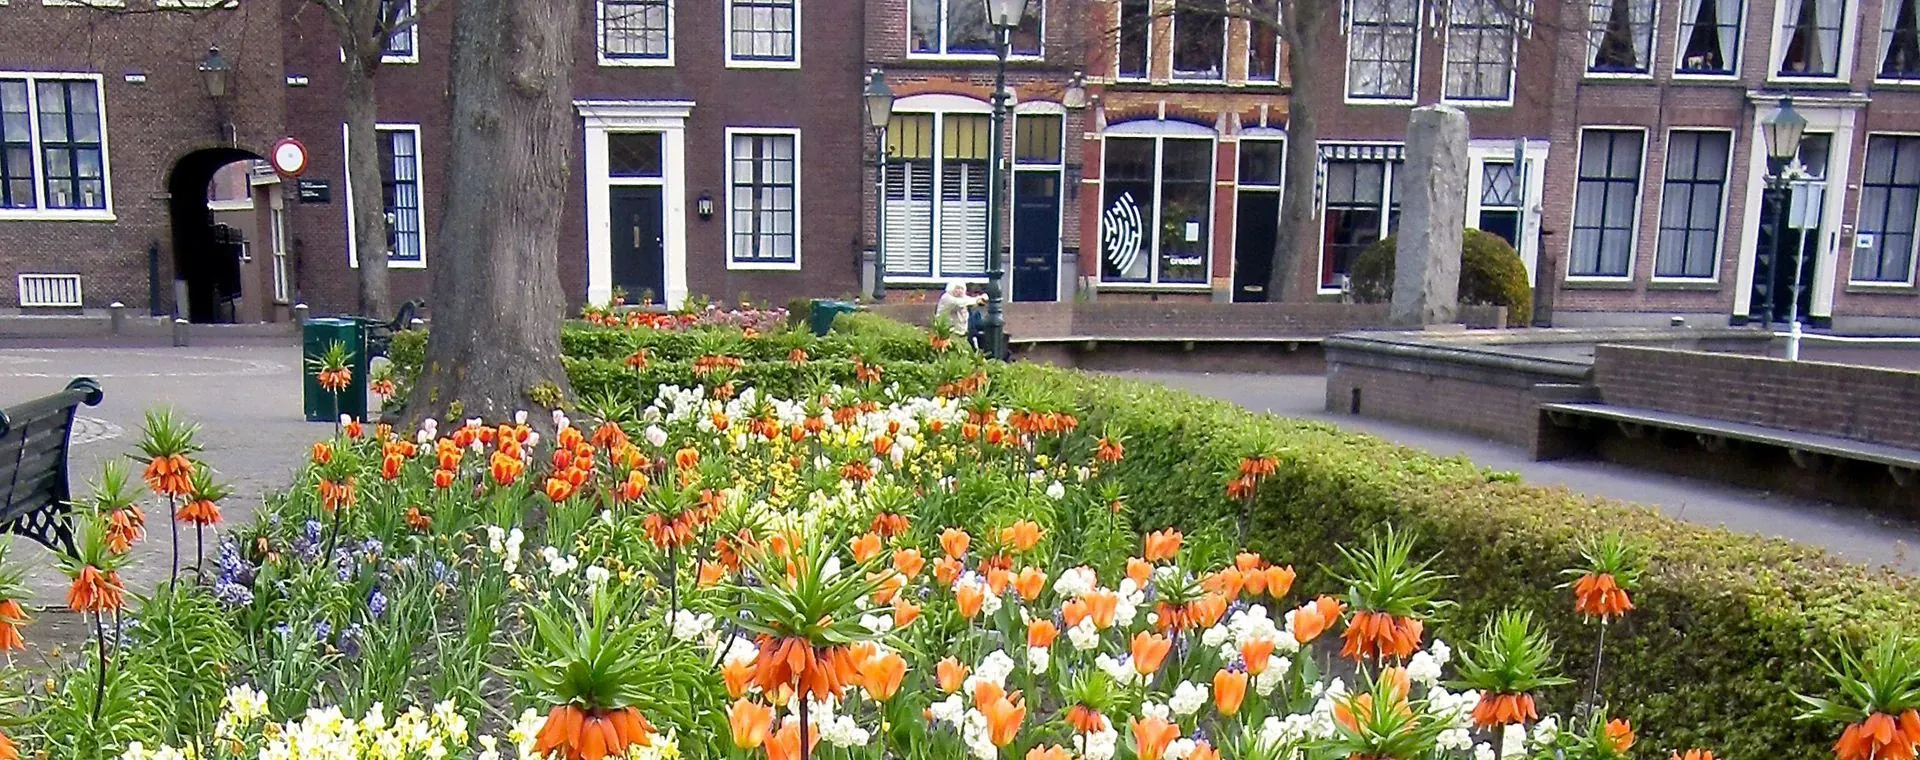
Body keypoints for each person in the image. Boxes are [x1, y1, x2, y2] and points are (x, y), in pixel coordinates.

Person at [935, 281, 985, 349]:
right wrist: (977, 300)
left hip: (961, 332)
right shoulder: (947, 298)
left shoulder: (963, 298)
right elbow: (960, 303)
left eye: (962, 288)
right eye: (957, 288)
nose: (960, 291)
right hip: (948, 333)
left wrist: (982, 297)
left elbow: (969, 300)